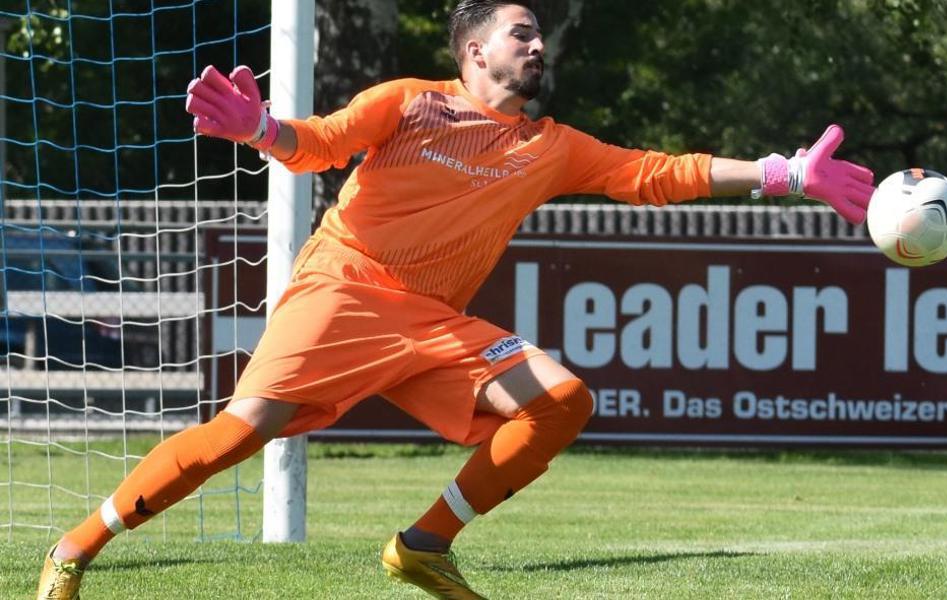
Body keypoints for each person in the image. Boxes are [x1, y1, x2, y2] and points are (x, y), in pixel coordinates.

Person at [36, 1, 875, 598]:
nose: (537, 43)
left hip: (434, 321)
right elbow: (319, 143)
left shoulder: (551, 146)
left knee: (562, 402)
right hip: (346, 286)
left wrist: (785, 173)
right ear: (476, 52)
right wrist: (260, 130)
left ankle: (423, 545)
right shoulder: (409, 102)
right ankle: (74, 550)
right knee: (238, 435)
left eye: (539, 32)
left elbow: (655, 173)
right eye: (521, 32)